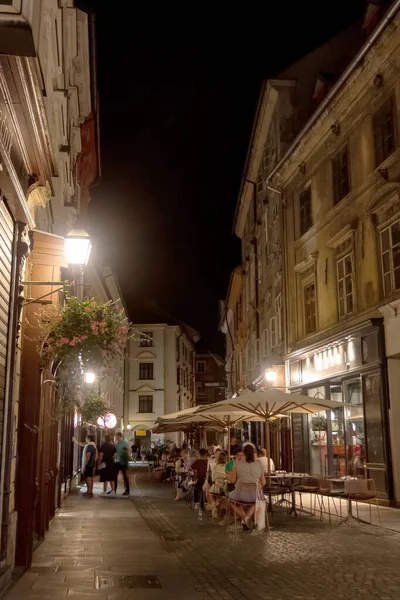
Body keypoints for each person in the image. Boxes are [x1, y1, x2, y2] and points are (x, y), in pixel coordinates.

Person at [220, 443, 265, 529]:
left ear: (243, 453)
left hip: (240, 494)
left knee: (230, 499)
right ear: (254, 453)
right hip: (256, 495)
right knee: (257, 500)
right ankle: (247, 517)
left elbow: (232, 481)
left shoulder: (237, 463)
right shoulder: (259, 464)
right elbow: (263, 482)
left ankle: (244, 517)